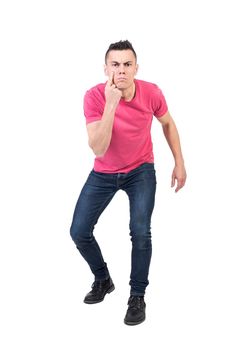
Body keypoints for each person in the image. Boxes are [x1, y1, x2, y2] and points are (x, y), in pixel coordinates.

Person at [70, 40, 187, 326]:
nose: (121, 70)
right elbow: (98, 148)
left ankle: (137, 295)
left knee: (140, 232)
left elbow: (168, 123)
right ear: (106, 68)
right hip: (104, 172)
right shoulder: (94, 96)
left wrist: (180, 162)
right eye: (115, 64)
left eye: (126, 64)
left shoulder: (152, 92)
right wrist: (112, 103)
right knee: (79, 231)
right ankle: (103, 279)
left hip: (140, 170)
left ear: (136, 68)